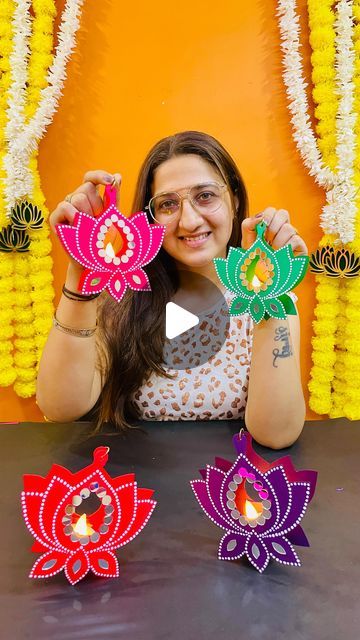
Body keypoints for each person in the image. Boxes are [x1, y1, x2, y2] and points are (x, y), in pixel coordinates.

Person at [36, 131, 307, 449]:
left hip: (232, 491)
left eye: (205, 195)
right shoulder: (122, 298)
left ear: (233, 197)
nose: (190, 221)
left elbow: (277, 434)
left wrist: (269, 295)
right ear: (151, 218)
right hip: (141, 489)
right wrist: (82, 272)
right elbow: (60, 408)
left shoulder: (274, 303)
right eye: (168, 204)